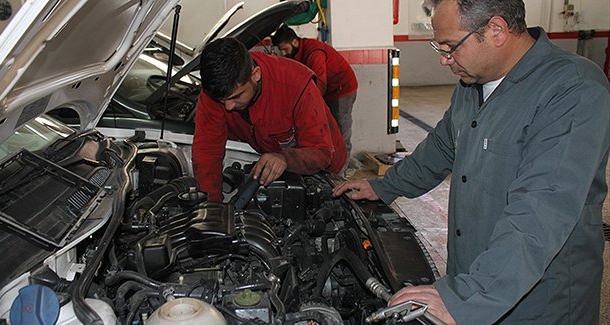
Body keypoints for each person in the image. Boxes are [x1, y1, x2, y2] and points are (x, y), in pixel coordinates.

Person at [332, 0, 610, 324]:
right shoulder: (471, 84)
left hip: (539, 301)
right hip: (476, 276)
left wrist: (466, 297)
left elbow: (541, 212)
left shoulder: (572, 89)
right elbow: (440, 148)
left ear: (496, 30)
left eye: (450, 47)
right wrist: (385, 186)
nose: (443, 59)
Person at [192, 37, 346, 202]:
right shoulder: (215, 94)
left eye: (236, 96)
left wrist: (285, 158)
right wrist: (211, 205)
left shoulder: (295, 84)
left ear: (255, 74)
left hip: (326, 169)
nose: (228, 106)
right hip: (278, 161)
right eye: (223, 101)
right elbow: (207, 151)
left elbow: (321, 153)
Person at [271, 25, 358, 168]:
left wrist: (307, 108)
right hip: (329, 91)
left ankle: (341, 173)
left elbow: (320, 83)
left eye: (285, 49)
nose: (283, 53)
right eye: (280, 50)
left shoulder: (314, 52)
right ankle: (329, 166)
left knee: (341, 132)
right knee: (328, 132)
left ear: (294, 41)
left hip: (342, 89)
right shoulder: (296, 53)